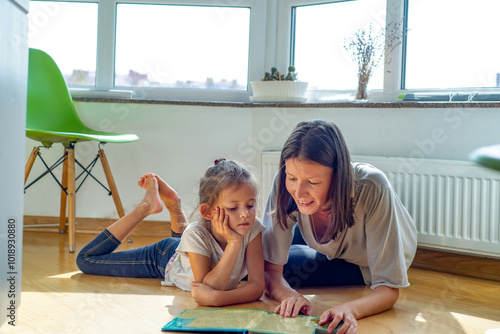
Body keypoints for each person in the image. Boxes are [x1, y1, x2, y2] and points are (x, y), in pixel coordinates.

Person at [262, 120, 417, 334]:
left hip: (366, 260)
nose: (298, 192)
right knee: (249, 263)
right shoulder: (285, 184)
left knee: (276, 269)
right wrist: (290, 296)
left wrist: (350, 309)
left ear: (338, 177)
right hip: (325, 240)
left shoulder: (373, 186)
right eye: (292, 178)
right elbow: (270, 269)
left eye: (312, 182)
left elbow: (389, 289)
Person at [76, 159, 265, 307]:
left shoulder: (252, 227)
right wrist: (234, 244)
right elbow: (210, 287)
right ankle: (144, 208)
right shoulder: (196, 235)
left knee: (189, 241)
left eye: (250, 205)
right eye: (233, 208)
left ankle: (173, 203)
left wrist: (218, 299)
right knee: (86, 259)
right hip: (165, 258)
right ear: (207, 212)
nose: (245, 214)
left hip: (191, 249)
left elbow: (256, 286)